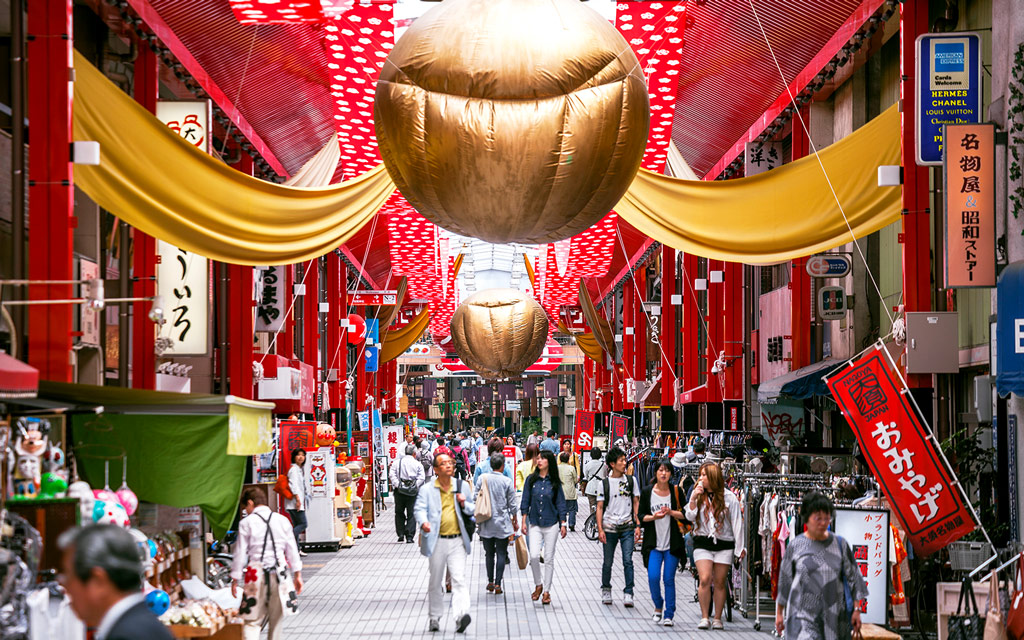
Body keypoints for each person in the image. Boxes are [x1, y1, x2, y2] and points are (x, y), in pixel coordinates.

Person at [58, 524, 174, 640]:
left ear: (98, 581)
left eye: (68, 576)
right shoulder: (140, 624)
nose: (64, 585)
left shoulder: (124, 635)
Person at [777, 492, 867, 640]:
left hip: (833, 618)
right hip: (801, 617)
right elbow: (785, 581)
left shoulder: (840, 545)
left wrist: (857, 610)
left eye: (827, 518)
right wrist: (779, 613)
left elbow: (854, 580)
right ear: (806, 518)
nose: (823, 523)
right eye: (818, 518)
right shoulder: (796, 545)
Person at [414, 453, 476, 633]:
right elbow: (419, 509)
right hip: (436, 540)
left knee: (459, 579)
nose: (448, 466)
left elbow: (473, 509)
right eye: (443, 463)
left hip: (457, 540)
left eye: (450, 463)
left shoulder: (461, 486)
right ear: (435, 469)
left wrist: (464, 504)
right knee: (435, 580)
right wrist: (424, 522)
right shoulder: (427, 489)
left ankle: (461, 616)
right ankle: (434, 617)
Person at [231, 487, 303, 640]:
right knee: (276, 621)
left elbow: (240, 553)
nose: (246, 511)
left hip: (254, 574)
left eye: (246, 508)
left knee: (252, 621)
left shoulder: (246, 523)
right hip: (280, 574)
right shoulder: (282, 520)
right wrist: (297, 574)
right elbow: (292, 550)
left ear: (251, 503)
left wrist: (235, 578)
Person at [684, 461, 744, 630]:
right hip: (702, 541)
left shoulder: (729, 497)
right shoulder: (698, 495)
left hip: (724, 543)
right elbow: (689, 516)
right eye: (700, 475)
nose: (701, 478)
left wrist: (740, 549)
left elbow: (737, 523)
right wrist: (694, 498)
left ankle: (717, 618)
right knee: (704, 578)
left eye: (704, 475)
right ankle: (705, 617)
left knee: (719, 581)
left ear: (713, 477)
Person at [638, 459, 687, 627]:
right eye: (660, 470)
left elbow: (686, 515)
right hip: (653, 544)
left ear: (671, 474)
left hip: (672, 543)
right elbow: (641, 516)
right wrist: (654, 517)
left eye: (667, 470)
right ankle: (658, 605)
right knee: (653, 577)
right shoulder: (647, 492)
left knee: (668, 578)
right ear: (656, 473)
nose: (663, 473)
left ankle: (669, 613)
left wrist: (671, 512)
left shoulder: (676, 491)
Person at [520, 450, 567, 606]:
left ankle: (546, 591)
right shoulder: (531, 480)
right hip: (534, 522)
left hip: (552, 523)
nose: (539, 461)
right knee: (533, 555)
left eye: (543, 459)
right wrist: (523, 520)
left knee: (548, 558)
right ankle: (538, 584)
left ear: (549, 462)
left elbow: (560, 502)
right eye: (538, 458)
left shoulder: (554, 482)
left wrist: (563, 523)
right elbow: (525, 500)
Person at [596, 447, 640, 607]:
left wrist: (637, 525)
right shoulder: (604, 484)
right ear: (612, 464)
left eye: (624, 459)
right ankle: (606, 589)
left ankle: (629, 592)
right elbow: (600, 507)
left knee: (628, 560)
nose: (624, 463)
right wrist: (600, 529)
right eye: (621, 460)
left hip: (627, 526)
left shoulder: (631, 481)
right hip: (609, 528)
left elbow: (636, 502)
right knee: (608, 561)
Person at [478, 452, 518, 594]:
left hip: (486, 521)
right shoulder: (507, 481)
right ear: (502, 466)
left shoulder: (483, 478)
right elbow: (513, 505)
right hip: (502, 522)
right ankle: (498, 583)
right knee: (501, 553)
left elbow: (475, 497)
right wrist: (515, 520)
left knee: (489, 553)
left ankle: (489, 580)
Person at [391, 443, 427, 543]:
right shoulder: (417, 464)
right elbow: (422, 477)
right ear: (414, 454)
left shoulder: (396, 463)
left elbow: (392, 475)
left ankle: (401, 533)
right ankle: (410, 536)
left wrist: (398, 484)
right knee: (412, 513)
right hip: (413, 492)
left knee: (399, 512)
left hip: (399, 491)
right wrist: (415, 486)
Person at [284, 448, 309, 557]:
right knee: (303, 524)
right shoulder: (294, 469)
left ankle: (295, 549)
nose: (300, 457)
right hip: (295, 502)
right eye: (298, 455)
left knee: (297, 525)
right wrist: (298, 500)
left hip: (295, 502)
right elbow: (293, 485)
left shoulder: (298, 469)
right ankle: (287, 541)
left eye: (302, 455)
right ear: (294, 457)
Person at [557, 451, 579, 531]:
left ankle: (560, 524)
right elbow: (575, 480)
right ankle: (571, 524)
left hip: (560, 492)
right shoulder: (571, 468)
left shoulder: (557, 468)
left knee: (559, 508)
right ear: (568, 460)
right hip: (570, 491)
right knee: (572, 509)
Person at [582, 447, 607, 515]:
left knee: (592, 506)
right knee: (601, 506)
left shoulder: (587, 465)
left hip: (591, 488)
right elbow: (605, 476)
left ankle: (593, 521)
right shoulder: (604, 465)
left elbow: (586, 477)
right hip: (601, 488)